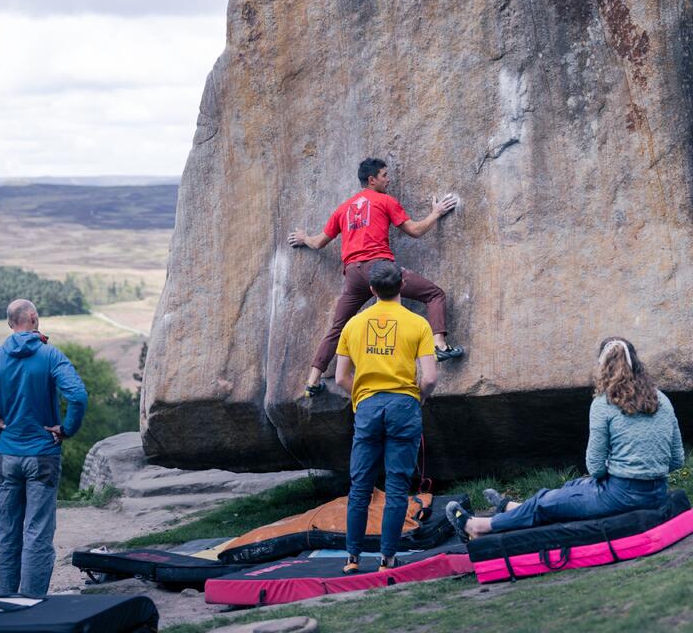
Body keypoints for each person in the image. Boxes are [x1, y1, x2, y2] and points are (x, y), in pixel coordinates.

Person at [446, 337, 685, 540]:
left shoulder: (604, 403)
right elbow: (677, 460)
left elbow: (595, 468)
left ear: (602, 367)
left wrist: (618, 470)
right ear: (637, 364)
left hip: (621, 495)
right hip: (656, 491)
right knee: (571, 487)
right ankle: (514, 509)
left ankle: (478, 527)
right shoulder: (661, 399)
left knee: (546, 501)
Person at [287, 157, 463, 396]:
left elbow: (318, 242)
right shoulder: (384, 201)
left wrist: (303, 237)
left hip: (353, 275)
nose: (388, 180)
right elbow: (415, 230)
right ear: (372, 179)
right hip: (379, 269)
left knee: (338, 327)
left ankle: (312, 381)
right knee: (434, 294)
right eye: (384, 175)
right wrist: (436, 213)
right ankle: (440, 345)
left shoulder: (343, 208)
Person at [0, 299, 88, 596]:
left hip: (7, 456)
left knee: (5, 532)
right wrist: (66, 429)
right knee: (37, 532)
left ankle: (4, 602)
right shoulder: (51, 356)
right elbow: (77, 395)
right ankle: (31, 603)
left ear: (11, 324)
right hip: (43, 455)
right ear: (34, 319)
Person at [335, 260, 438, 572]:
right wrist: (416, 398)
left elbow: (341, 377)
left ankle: (352, 558)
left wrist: (364, 397)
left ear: (371, 290)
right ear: (403, 286)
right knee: (396, 485)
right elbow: (430, 377)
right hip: (403, 406)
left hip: (367, 406)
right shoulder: (418, 324)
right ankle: (387, 559)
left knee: (361, 485)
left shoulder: (352, 325)